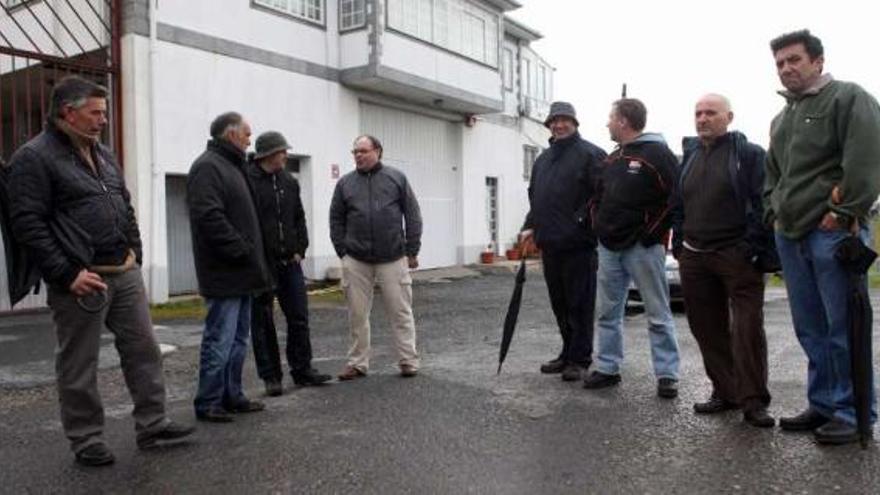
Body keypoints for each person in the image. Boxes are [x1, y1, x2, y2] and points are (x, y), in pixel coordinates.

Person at [7, 76, 194, 466]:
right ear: (68, 112)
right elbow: (28, 223)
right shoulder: (34, 157)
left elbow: (123, 204)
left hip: (123, 270)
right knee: (79, 363)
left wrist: (135, 252)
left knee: (144, 350)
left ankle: (153, 423)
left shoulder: (104, 154)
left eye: (104, 113)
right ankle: (86, 438)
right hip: (82, 278)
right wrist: (66, 274)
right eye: (96, 113)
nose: (103, 120)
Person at [765, 29, 880, 445]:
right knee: (810, 327)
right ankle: (825, 404)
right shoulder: (782, 118)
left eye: (794, 59)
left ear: (818, 61)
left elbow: (866, 160)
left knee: (842, 327)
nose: (787, 68)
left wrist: (843, 211)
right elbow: (772, 174)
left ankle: (852, 414)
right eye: (780, 63)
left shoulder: (849, 98)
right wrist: (772, 211)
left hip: (833, 234)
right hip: (790, 234)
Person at [672, 94, 776, 427]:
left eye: (710, 113)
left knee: (746, 329)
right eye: (698, 113)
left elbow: (764, 205)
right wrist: (680, 245)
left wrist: (751, 247)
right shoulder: (687, 156)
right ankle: (725, 391)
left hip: (737, 256)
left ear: (728, 117)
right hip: (695, 256)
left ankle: (753, 401)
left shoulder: (749, 155)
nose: (703, 118)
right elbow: (678, 204)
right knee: (706, 328)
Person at [584, 98, 680, 398]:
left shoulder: (658, 154)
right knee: (608, 312)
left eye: (610, 118)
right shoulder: (612, 160)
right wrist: (598, 228)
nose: (607, 124)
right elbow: (597, 198)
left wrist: (651, 234)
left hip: (643, 248)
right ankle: (608, 368)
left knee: (657, 312)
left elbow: (674, 199)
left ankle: (667, 374)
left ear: (623, 121)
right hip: (609, 248)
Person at [188, 112, 273, 422]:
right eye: (247, 134)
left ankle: (232, 395)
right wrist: (241, 249)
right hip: (224, 272)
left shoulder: (234, 166)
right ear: (231, 135)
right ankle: (208, 401)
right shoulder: (208, 167)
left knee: (238, 340)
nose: (250, 139)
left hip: (243, 272)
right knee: (220, 339)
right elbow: (208, 216)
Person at [520, 101, 606, 382]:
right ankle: (567, 352)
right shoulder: (543, 160)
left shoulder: (591, 154)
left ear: (575, 123)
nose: (559, 125)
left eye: (564, 120)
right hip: (550, 244)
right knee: (560, 303)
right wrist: (530, 225)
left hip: (578, 245)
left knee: (580, 304)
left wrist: (581, 222)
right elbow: (537, 198)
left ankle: (580, 359)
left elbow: (601, 197)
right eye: (554, 121)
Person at [329, 135, 422, 379]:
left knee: (400, 311)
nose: (358, 156)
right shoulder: (345, 184)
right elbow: (336, 218)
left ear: (378, 151)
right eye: (355, 152)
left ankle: (408, 360)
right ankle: (358, 362)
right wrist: (343, 251)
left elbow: (412, 214)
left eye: (363, 151)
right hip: (356, 259)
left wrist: (412, 250)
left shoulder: (396, 178)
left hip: (392, 257)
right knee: (357, 314)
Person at [246, 131, 331, 395]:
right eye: (282, 151)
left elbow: (298, 217)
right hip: (262, 264)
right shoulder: (248, 180)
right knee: (263, 321)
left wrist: (300, 248)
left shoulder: (288, 181)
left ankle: (302, 370)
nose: (286, 155)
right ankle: (271, 377)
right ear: (269, 154)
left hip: (290, 262)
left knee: (299, 317)